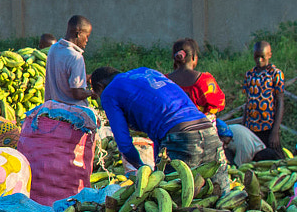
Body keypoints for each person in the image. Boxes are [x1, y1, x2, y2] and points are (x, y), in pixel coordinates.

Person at [92, 66, 228, 189]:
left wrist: (143, 169)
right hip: (208, 129)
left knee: (176, 202)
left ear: (99, 86)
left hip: (180, 138)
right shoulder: (147, 72)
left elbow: (124, 143)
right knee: (221, 196)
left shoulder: (109, 92)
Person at [240, 41, 286, 152]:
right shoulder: (249, 75)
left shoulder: (275, 74)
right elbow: (248, 102)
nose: (259, 60)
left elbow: (280, 102)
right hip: (251, 127)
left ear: (269, 55)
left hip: (268, 127)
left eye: (262, 57)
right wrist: (243, 127)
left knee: (274, 157)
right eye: (256, 57)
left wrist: (275, 131)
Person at [166, 38, 226, 118]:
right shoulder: (204, 80)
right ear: (193, 57)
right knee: (225, 129)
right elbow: (218, 104)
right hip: (199, 125)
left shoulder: (164, 81)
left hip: (172, 125)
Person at [44, 15, 93, 104]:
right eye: (86, 36)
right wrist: (92, 93)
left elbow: (63, 78)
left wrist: (86, 77)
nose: (87, 40)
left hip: (53, 108)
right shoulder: (76, 57)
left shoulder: (53, 49)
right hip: (72, 110)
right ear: (78, 34)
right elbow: (77, 93)